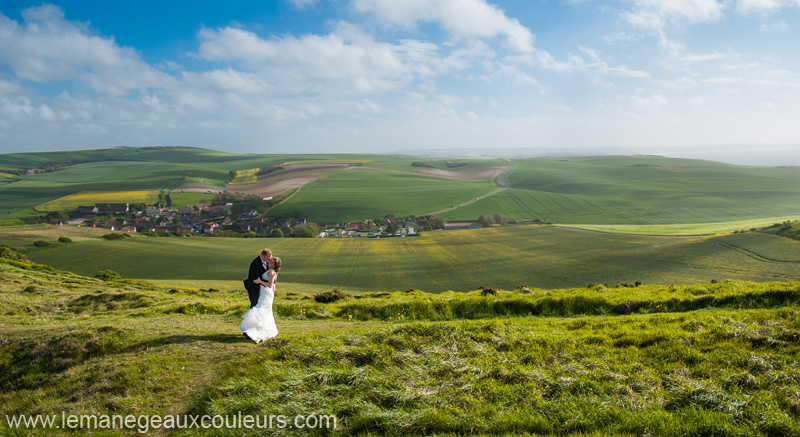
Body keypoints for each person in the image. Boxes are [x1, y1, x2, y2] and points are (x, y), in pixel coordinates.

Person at [240, 257, 281, 343]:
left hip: (266, 294)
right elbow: (272, 284)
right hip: (264, 293)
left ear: (274, 265)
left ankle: (255, 330)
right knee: (263, 310)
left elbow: (269, 285)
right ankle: (257, 328)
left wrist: (259, 281)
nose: (269, 262)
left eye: (271, 262)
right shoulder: (270, 271)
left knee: (260, 309)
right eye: (270, 260)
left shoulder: (271, 272)